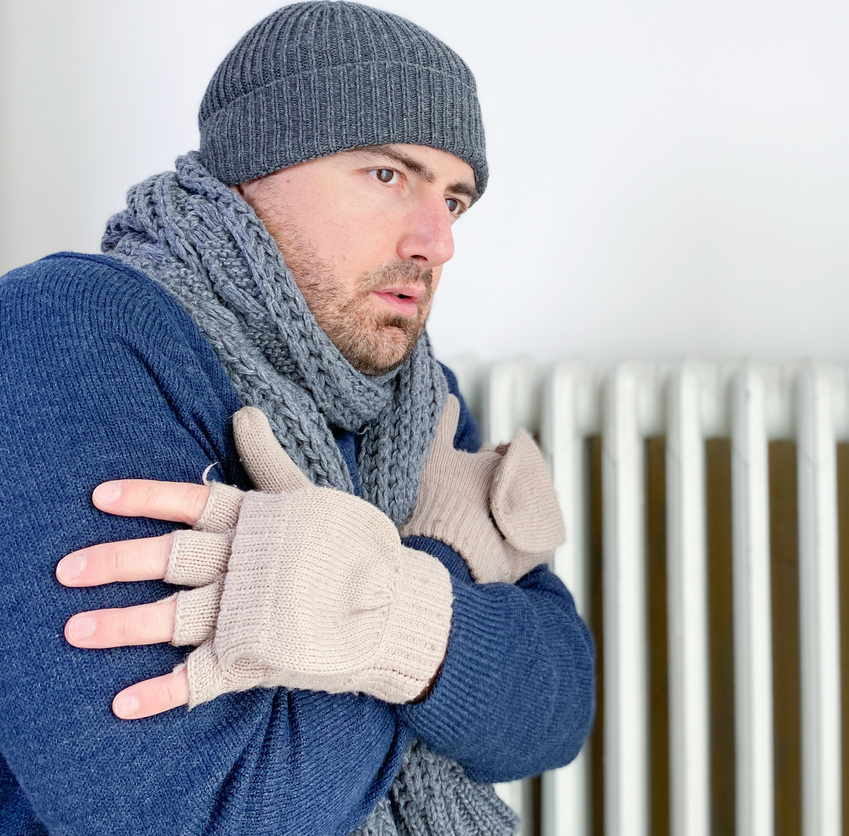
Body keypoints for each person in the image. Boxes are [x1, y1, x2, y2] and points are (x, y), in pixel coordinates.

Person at [0, 3, 595, 835]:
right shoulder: (71, 332)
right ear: (255, 165)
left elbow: (556, 708)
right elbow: (191, 810)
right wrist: (450, 578)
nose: (437, 242)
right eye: (389, 175)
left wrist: (389, 605)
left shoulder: (415, 392)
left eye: (455, 200)